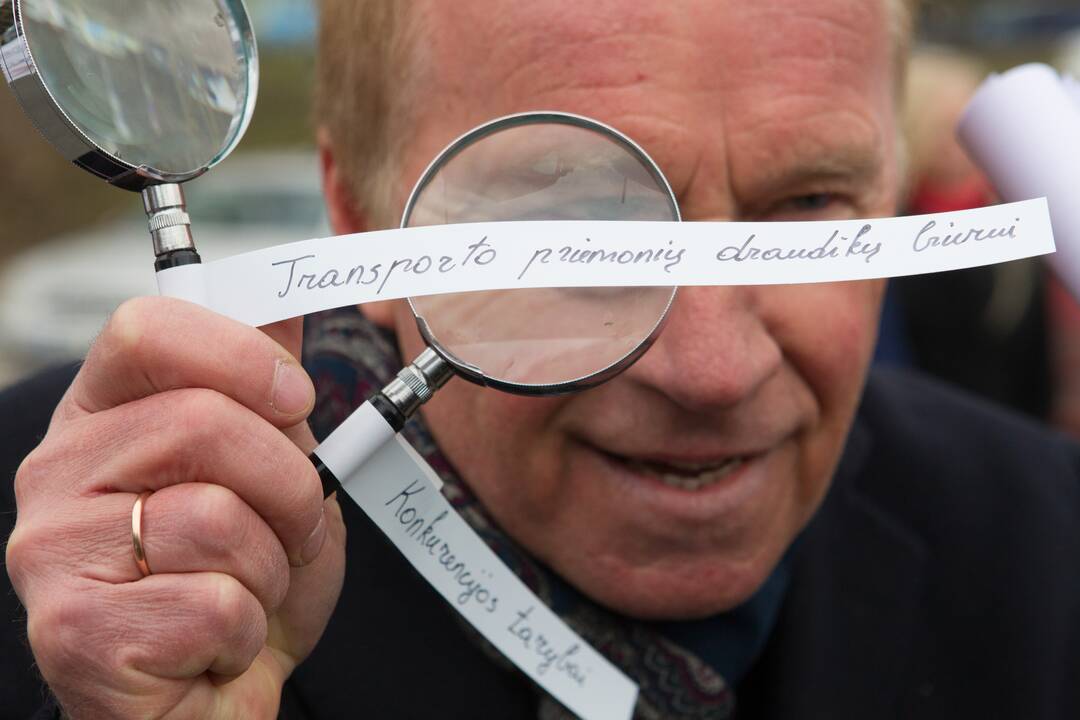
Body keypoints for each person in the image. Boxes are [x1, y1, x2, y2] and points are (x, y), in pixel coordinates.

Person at [3, 1, 1080, 718]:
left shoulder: (1046, 553)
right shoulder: (67, 570)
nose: (712, 371)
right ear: (356, 218)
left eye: (806, 208)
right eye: (575, 223)